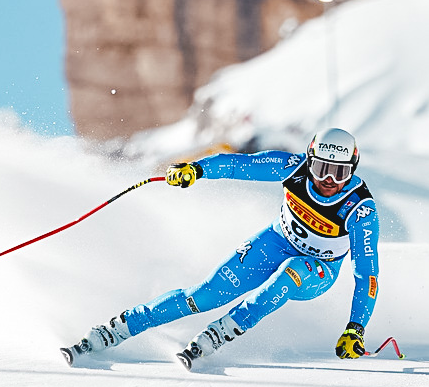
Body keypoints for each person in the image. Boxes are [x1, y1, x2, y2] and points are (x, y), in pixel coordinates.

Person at [61, 128, 380, 370]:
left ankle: (220, 332)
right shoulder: (292, 168)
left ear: (352, 170)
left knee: (290, 274)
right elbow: (238, 165)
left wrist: (356, 329)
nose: (328, 180)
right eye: (321, 168)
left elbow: (367, 276)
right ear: (308, 161)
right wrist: (196, 170)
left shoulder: (359, 210)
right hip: (274, 243)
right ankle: (118, 328)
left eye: (339, 172)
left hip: (318, 269)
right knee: (203, 296)